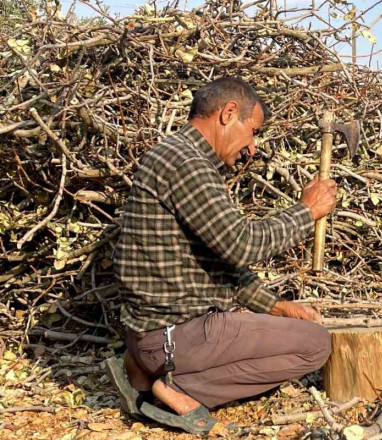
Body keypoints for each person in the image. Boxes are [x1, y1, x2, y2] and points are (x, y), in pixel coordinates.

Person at [105, 77, 337, 434]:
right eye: (253, 131)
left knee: (297, 332)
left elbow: (217, 260)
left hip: (153, 337)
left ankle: (141, 368)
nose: (253, 148)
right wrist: (307, 211)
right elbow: (243, 244)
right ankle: (169, 390)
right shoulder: (187, 164)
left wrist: (275, 306)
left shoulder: (177, 155)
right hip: (174, 337)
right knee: (315, 345)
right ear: (229, 114)